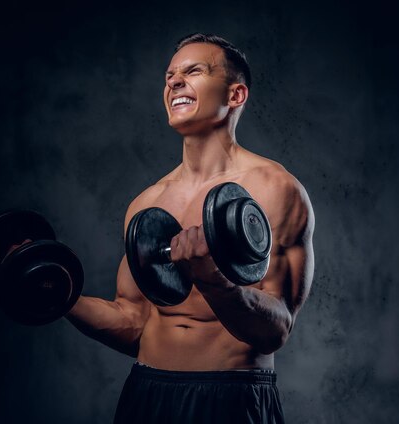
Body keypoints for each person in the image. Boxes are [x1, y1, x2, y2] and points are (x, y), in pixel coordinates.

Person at [64, 33, 315, 423]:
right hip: (148, 394)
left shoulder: (274, 189)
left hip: (231, 397)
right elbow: (132, 321)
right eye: (170, 75)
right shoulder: (146, 204)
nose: (173, 82)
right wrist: (56, 292)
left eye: (193, 71)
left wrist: (214, 280)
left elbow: (275, 329)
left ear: (235, 96)